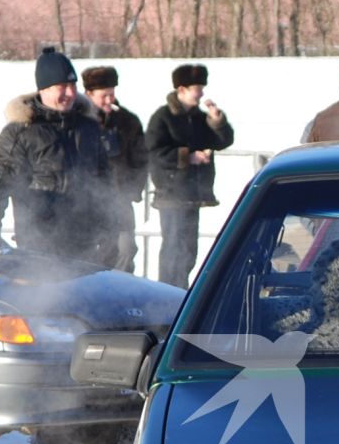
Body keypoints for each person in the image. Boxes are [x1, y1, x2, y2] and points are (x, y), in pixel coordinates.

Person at [0, 46, 115, 263]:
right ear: (44, 89)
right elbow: (0, 184)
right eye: (61, 86)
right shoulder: (22, 131)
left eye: (72, 85)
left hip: (87, 242)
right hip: (40, 242)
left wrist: (110, 228)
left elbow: (104, 181)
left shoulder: (88, 128)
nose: (69, 93)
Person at [145, 61, 235, 288]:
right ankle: (166, 295)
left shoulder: (198, 118)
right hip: (172, 195)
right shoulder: (162, 118)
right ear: (182, 90)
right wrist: (187, 157)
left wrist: (216, 121)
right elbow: (154, 153)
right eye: (197, 88)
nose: (201, 93)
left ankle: (181, 293)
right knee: (173, 250)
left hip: (194, 195)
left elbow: (223, 141)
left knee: (188, 251)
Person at [81, 65, 149, 272]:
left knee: (126, 249)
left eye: (112, 94)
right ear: (89, 94)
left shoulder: (127, 121)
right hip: (89, 202)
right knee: (97, 251)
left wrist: (132, 188)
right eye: (104, 95)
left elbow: (141, 158)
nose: (110, 100)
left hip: (120, 199)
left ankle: (121, 292)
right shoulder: (79, 123)